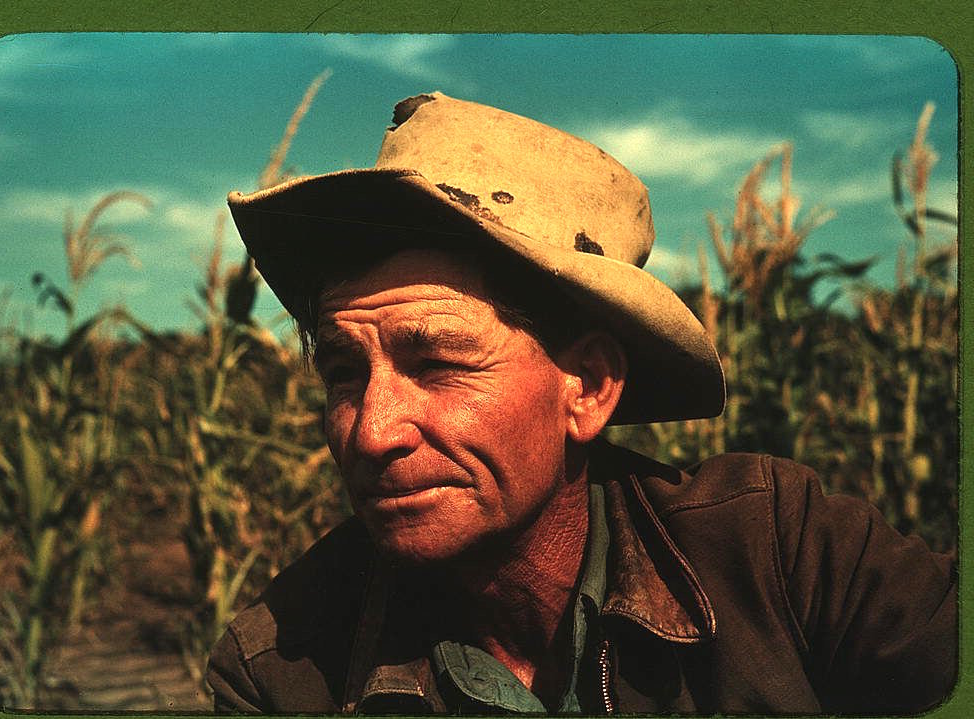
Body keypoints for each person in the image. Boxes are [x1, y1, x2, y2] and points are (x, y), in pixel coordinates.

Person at [206, 92, 956, 714]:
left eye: (435, 363)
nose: (370, 433)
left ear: (589, 386)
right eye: (343, 372)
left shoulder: (787, 557)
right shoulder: (282, 669)